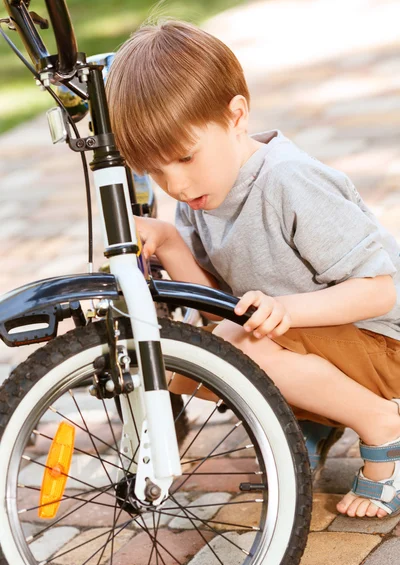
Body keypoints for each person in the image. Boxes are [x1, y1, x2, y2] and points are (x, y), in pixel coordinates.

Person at [106, 19, 400, 519]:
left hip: (384, 345)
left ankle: (382, 425)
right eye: (156, 171)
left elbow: (379, 291)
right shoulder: (199, 197)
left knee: (239, 351)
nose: (174, 183)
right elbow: (214, 309)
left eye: (183, 157)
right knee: (187, 359)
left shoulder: (289, 181)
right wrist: (172, 243)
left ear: (236, 115)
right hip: (319, 338)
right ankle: (316, 413)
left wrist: (284, 309)